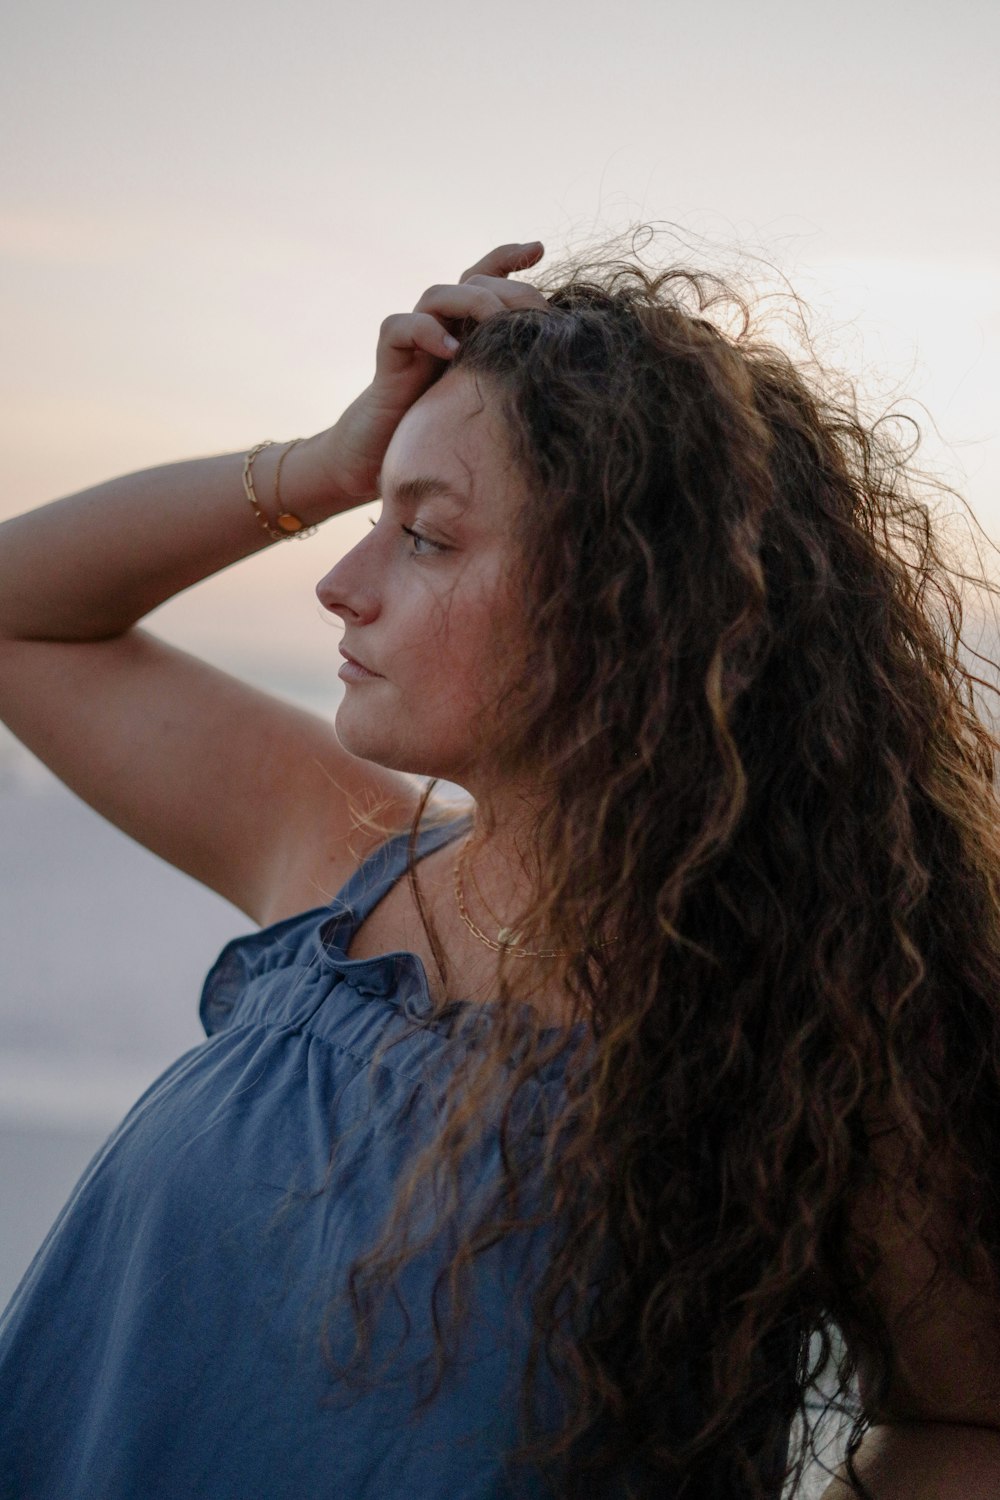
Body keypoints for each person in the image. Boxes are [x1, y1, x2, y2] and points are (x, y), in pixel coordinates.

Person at [0, 235, 998, 1500]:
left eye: (425, 538)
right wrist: (322, 462)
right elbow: (17, 615)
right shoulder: (339, 865)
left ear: (629, 604)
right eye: (374, 521)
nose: (339, 583)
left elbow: (970, 1424)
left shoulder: (818, 1023)